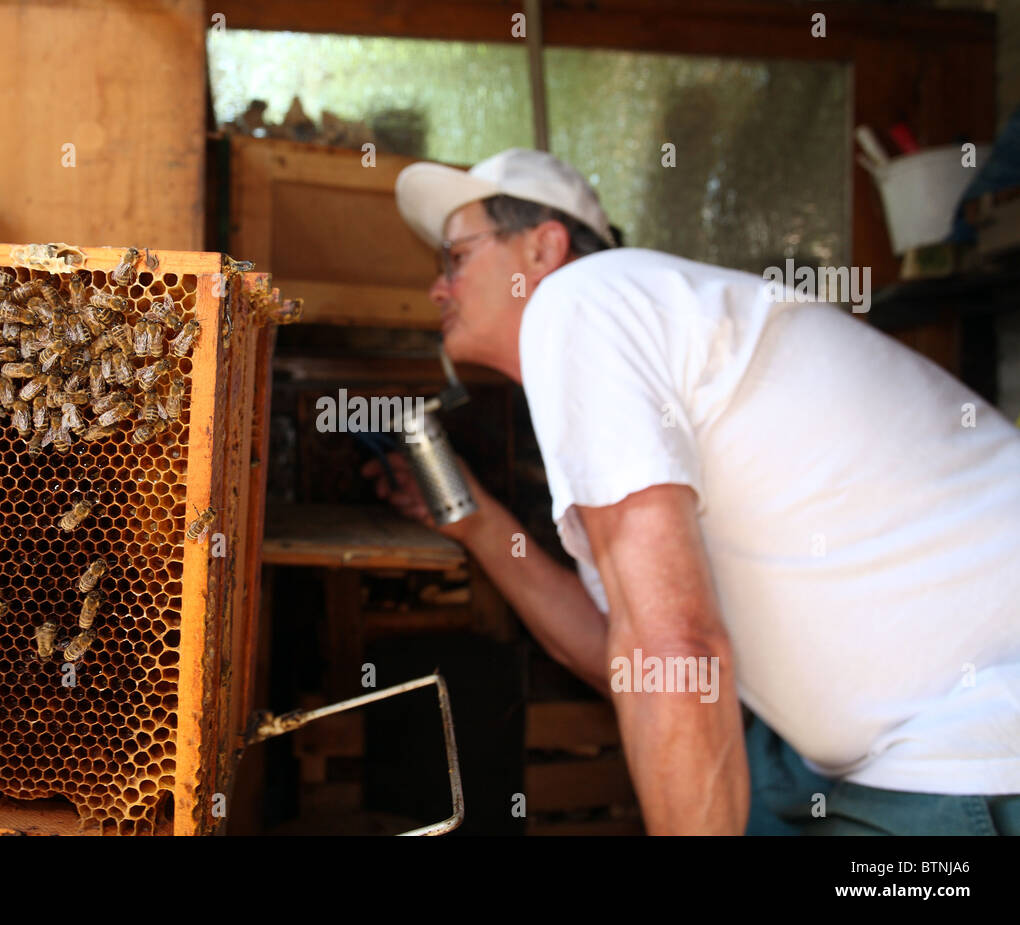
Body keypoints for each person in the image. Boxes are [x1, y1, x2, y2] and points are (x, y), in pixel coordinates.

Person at [364, 147, 1020, 835]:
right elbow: (618, 649)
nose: (438, 288)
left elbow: (672, 650)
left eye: (455, 257)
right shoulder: (622, 320)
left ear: (542, 246)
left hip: (972, 749)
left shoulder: (579, 301)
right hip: (879, 752)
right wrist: (473, 519)